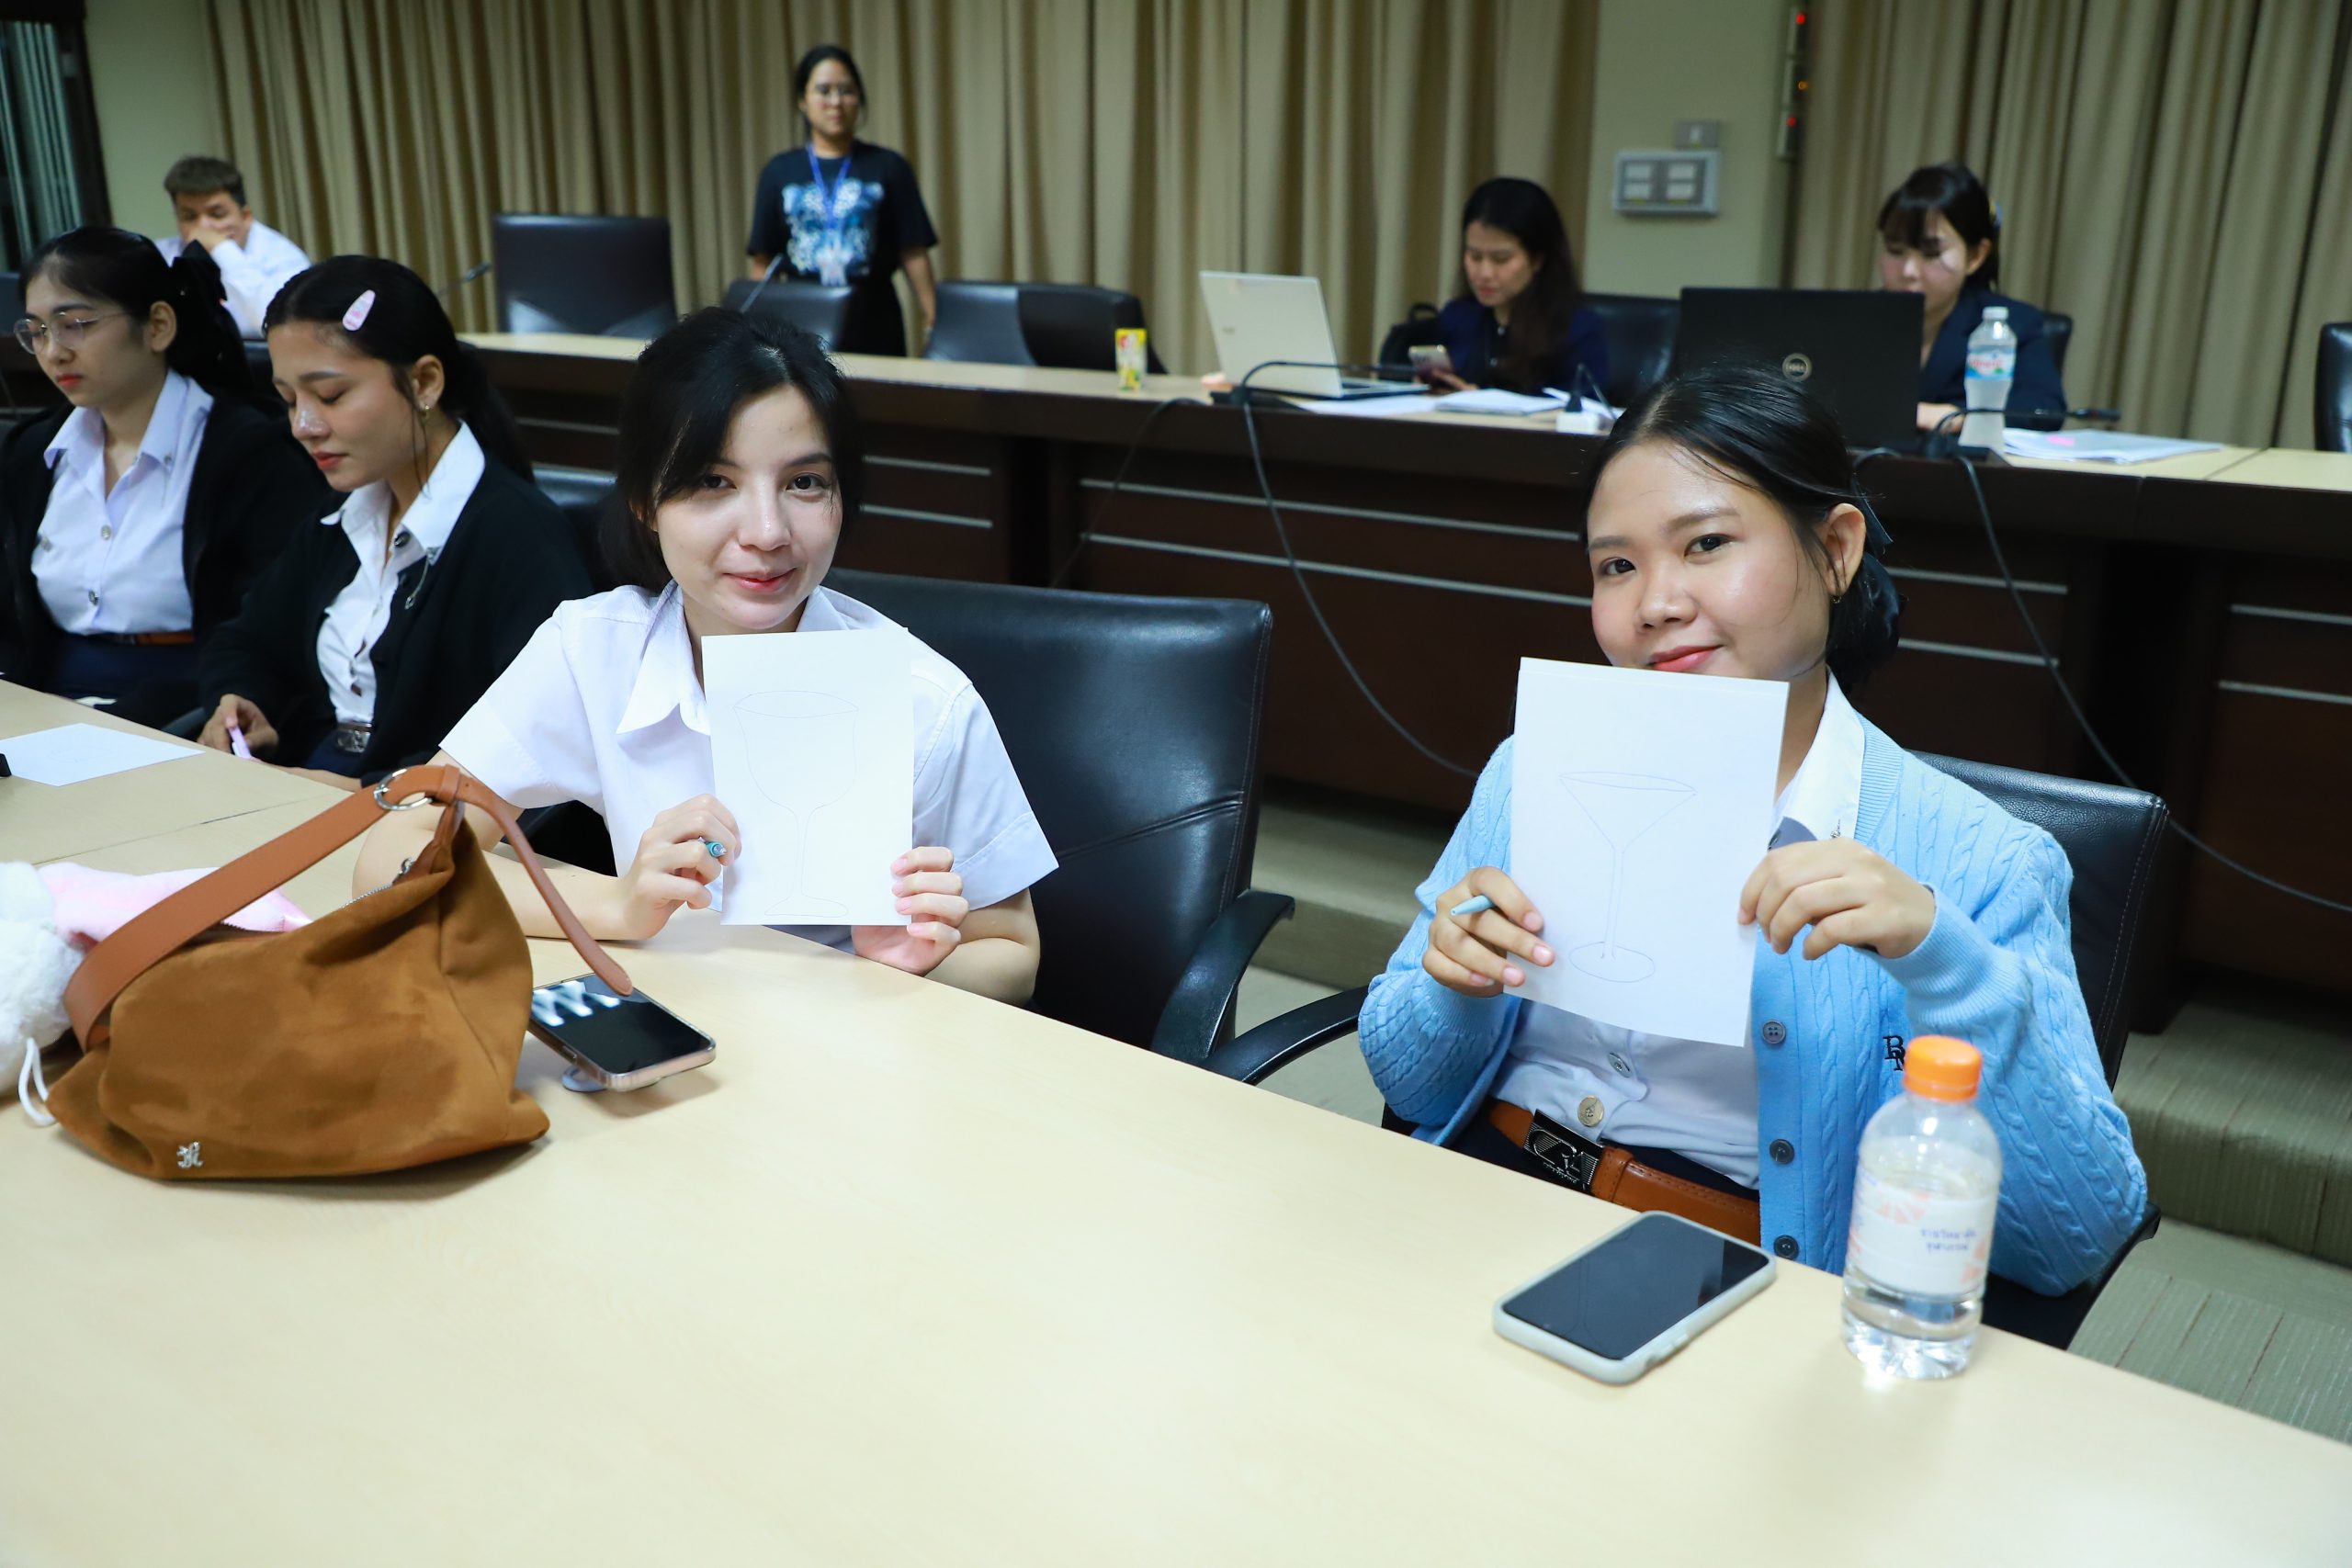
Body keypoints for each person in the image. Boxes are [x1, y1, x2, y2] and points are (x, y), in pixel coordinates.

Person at [1357, 361, 2145, 1296]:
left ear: (1836, 550)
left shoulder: (1979, 858)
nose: (1655, 602)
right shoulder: (1534, 768)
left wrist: (1943, 961)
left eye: (1705, 544)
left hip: (1720, 1267)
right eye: (1616, 565)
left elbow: (2070, 1239)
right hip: (1475, 1196)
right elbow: (1409, 1085)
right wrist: (1454, 988)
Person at [353, 309, 1054, 1001]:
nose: (767, 531)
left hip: (855, 1044)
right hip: (670, 1022)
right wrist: (616, 905)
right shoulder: (594, 650)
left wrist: (904, 971)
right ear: (644, 501)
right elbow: (393, 856)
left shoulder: (924, 699)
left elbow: (1011, 955)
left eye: (805, 482)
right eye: (714, 482)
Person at [194, 255, 592, 784]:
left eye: (330, 396)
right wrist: (241, 697)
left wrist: (368, 791)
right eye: (288, 400)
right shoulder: (343, 515)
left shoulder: (519, 537)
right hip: (317, 784)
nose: (303, 426)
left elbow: (539, 742)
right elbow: (247, 639)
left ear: (424, 382)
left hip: (428, 815)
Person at [0, 228, 324, 724]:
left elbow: (273, 629)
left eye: (75, 324)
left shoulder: (249, 453)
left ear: (157, 325)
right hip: (50, 697)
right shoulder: (31, 452)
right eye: (38, 331)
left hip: (194, 702)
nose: (53, 352)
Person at [745, 44, 939, 356]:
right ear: (802, 100)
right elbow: (763, 263)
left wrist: (933, 322)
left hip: (875, 323)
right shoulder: (779, 172)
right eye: (824, 91)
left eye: (846, 91)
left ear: (859, 97)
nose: (835, 102)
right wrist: (757, 337)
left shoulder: (889, 167)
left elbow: (913, 252)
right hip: (800, 325)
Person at [1878, 162, 2066, 434]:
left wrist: (1954, 417)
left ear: (1975, 256)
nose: (1908, 271)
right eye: (1895, 250)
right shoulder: (1857, 318)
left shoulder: (2012, 324)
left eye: (1931, 253)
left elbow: (2044, 410)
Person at [1431, 177, 1608, 400]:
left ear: (1537, 260)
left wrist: (1483, 403)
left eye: (1501, 259)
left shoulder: (1578, 329)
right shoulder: (1458, 316)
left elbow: (1582, 410)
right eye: (1474, 256)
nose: (1485, 273)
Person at [155, 155, 313, 340]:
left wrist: (222, 249)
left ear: (245, 216)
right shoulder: (161, 255)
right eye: (189, 217)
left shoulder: (283, 256)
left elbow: (278, 323)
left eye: (217, 215)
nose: (203, 227)